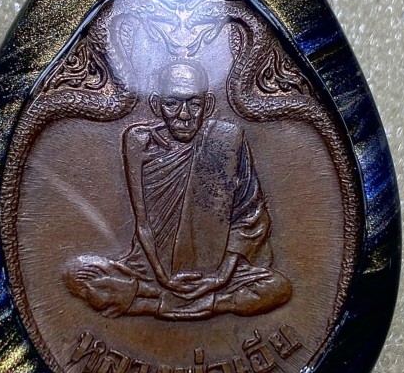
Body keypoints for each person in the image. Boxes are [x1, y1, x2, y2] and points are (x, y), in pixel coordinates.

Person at [65, 61, 292, 320]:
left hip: (218, 268)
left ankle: (156, 304)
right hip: (151, 266)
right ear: (156, 104)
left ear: (208, 105)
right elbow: (144, 224)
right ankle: (173, 298)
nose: (184, 115)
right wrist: (164, 278)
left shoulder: (227, 139)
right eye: (172, 104)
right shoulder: (139, 140)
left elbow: (250, 217)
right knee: (77, 272)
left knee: (279, 287)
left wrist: (220, 277)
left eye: (194, 104)